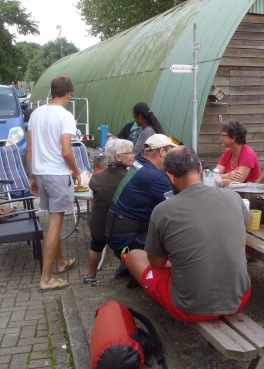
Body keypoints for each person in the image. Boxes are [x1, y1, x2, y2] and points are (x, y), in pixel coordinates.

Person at [124, 146, 252, 322]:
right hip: (240, 298)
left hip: (190, 307)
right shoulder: (233, 197)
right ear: (200, 168)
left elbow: (157, 263)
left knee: (134, 256)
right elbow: (247, 223)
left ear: (169, 175)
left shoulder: (162, 210)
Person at [27, 76, 82, 293]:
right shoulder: (65, 116)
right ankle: (46, 278)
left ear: (52, 92)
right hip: (58, 174)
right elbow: (66, 151)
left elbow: (29, 150)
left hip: (40, 172)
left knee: (53, 219)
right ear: (68, 93)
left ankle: (60, 262)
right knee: (55, 224)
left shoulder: (36, 113)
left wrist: (32, 176)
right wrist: (76, 172)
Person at [105, 134, 174, 276]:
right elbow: (177, 207)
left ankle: (130, 268)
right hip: (126, 237)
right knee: (178, 239)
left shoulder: (138, 165)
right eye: (170, 153)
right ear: (162, 152)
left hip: (114, 230)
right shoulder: (155, 176)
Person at [84, 138, 134, 285]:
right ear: (118, 157)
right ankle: (134, 274)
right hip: (123, 229)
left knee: (95, 245)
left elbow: (94, 206)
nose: (133, 156)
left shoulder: (96, 178)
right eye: (130, 153)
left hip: (99, 227)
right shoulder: (130, 179)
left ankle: (91, 276)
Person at [215, 120, 261, 186]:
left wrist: (216, 181)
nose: (221, 138)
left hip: (250, 194)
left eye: (223, 136)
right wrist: (228, 175)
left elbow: (237, 182)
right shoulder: (227, 154)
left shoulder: (248, 154)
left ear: (233, 138)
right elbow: (214, 175)